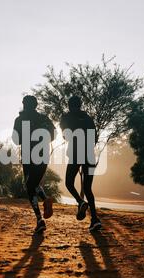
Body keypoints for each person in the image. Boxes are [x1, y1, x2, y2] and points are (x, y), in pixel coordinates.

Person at [12, 95, 55, 233]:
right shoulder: (44, 119)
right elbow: (53, 136)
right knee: (34, 184)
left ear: (24, 104)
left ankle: (39, 219)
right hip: (42, 156)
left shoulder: (19, 120)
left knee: (30, 187)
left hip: (28, 157)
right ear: (36, 105)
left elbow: (16, 140)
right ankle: (45, 200)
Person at [60, 96, 101, 231]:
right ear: (80, 104)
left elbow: (66, 136)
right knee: (88, 188)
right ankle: (95, 220)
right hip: (89, 155)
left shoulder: (66, 118)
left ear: (69, 105)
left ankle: (80, 202)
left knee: (68, 183)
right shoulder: (88, 118)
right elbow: (95, 138)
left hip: (76, 154)